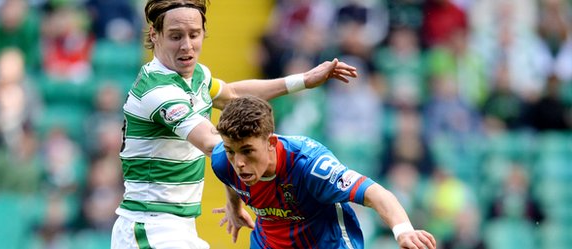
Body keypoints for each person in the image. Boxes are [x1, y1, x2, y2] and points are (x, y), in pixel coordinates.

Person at [111, 0, 359, 248]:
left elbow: (231, 94)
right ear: (155, 35)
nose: (187, 46)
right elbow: (212, 145)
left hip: (178, 226)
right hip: (149, 226)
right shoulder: (158, 91)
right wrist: (279, 158)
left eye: (194, 35)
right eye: (176, 36)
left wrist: (303, 80)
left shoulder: (196, 75)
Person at [211, 95, 437, 249]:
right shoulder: (223, 160)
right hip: (270, 242)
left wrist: (403, 231)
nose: (238, 163)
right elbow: (228, 176)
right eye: (231, 151)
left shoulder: (310, 165)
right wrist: (234, 205)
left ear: (271, 142)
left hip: (327, 242)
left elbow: (375, 193)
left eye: (248, 151)